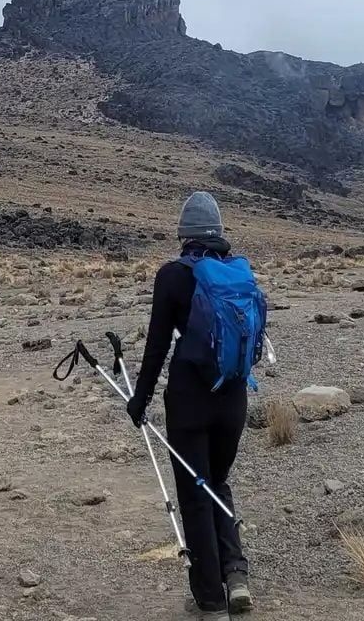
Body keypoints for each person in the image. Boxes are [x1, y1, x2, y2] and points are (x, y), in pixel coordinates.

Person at [126, 191, 253, 617]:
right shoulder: (238, 274)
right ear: (218, 232)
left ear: (184, 233)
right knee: (217, 482)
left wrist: (138, 400)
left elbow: (157, 347)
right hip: (232, 402)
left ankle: (210, 599)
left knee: (195, 495)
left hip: (188, 406)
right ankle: (236, 575)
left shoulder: (172, 277)